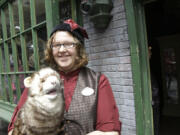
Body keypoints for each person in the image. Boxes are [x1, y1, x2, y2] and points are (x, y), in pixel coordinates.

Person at [8, 19, 121, 135]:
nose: (62, 50)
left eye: (68, 44)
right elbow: (13, 130)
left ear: (79, 48)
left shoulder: (98, 81)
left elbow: (110, 131)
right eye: (56, 45)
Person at [148, 46, 160, 135]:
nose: (151, 53)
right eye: (149, 51)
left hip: (154, 102)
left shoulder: (148, 66)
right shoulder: (145, 68)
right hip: (153, 102)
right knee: (154, 125)